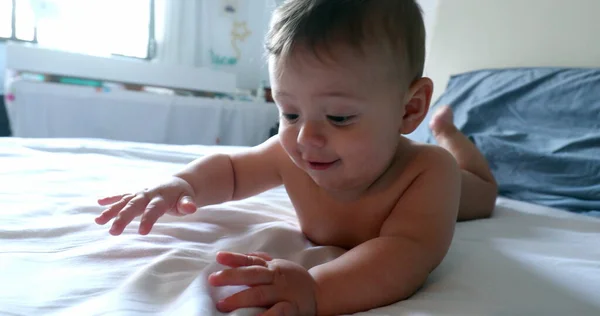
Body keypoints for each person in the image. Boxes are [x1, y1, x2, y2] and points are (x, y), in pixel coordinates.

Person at [95, 0, 498, 315]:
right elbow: (233, 171)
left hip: (455, 192)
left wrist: (317, 289)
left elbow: (405, 254)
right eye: (289, 113)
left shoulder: (426, 174)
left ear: (409, 110)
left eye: (339, 117)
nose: (306, 137)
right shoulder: (293, 154)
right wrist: (183, 185)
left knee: (482, 191)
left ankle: (448, 133)